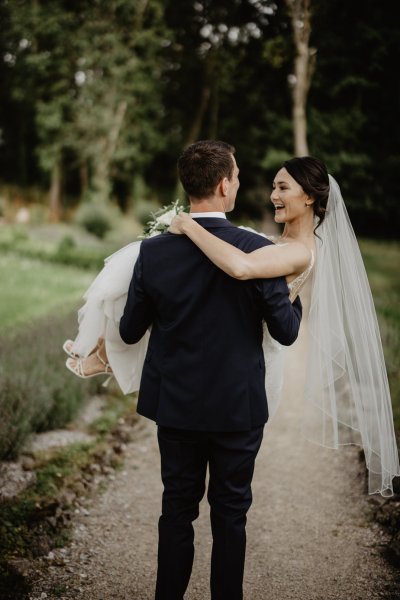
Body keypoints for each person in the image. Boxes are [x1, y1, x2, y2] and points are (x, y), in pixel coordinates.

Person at [118, 140, 302, 600]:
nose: (237, 182)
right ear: (224, 185)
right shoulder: (258, 251)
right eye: (236, 176)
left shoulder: (154, 253)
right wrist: (295, 297)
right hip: (237, 409)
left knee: (177, 510)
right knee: (231, 514)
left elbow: (128, 331)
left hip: (176, 407)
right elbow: (286, 333)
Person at [168, 156, 400, 498]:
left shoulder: (299, 252)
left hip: (251, 363)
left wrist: (189, 226)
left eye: (282, 187)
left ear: (308, 197)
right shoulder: (273, 242)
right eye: (273, 186)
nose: (272, 195)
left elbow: (242, 268)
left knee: (227, 488)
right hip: (228, 352)